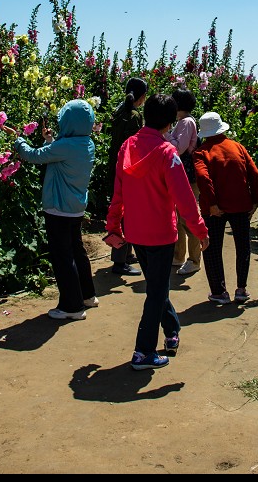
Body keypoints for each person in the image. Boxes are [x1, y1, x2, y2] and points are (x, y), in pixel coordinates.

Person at [105, 93, 209, 370]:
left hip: (136, 232)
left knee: (156, 287)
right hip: (162, 234)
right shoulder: (166, 153)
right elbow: (185, 197)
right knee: (155, 292)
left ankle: (172, 331)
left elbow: (118, 191)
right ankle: (143, 352)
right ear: (168, 123)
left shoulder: (128, 146)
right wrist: (200, 229)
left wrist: (114, 223)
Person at [7, 99, 99, 321]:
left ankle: (72, 306)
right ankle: (87, 295)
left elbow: (34, 156)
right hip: (75, 208)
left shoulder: (65, 146)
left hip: (59, 208)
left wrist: (18, 140)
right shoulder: (86, 143)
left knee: (62, 257)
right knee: (77, 251)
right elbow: (59, 153)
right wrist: (50, 140)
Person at [193, 111, 258, 305]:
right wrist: (256, 200)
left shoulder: (201, 153)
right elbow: (255, 174)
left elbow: (203, 178)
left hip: (214, 209)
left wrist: (213, 203)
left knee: (212, 249)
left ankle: (219, 292)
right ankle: (241, 289)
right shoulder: (237, 147)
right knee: (243, 246)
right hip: (241, 204)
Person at [104, 76, 148, 276]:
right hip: (128, 169)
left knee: (118, 211)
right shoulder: (135, 116)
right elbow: (136, 146)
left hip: (115, 166)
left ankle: (125, 254)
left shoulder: (118, 111)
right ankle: (120, 262)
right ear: (142, 97)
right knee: (126, 216)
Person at [168, 87, 202, 275]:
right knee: (179, 217)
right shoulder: (182, 122)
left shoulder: (187, 122)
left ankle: (194, 259)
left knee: (188, 217)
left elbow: (179, 149)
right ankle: (178, 255)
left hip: (188, 177)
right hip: (182, 175)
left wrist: (164, 134)